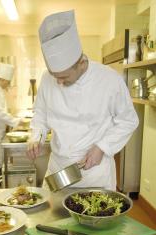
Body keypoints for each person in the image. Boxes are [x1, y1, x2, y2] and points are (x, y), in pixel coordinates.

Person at [27, 10, 139, 191]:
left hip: (94, 171)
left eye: (63, 77)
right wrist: (36, 137)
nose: (59, 83)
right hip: (58, 170)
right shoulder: (47, 78)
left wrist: (102, 147)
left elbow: (128, 120)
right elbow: (41, 112)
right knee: (51, 219)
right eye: (55, 76)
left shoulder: (109, 80)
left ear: (80, 63)